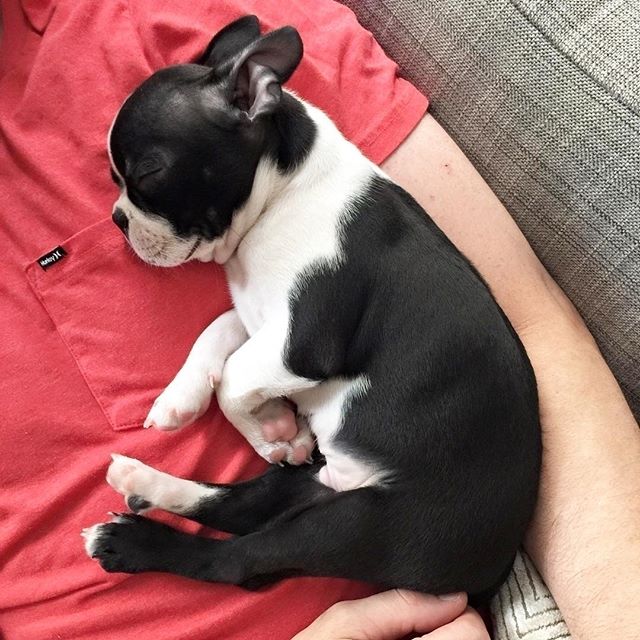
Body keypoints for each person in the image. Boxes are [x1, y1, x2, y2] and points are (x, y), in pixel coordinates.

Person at [1, 1, 638, 639]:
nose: (124, 212)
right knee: (305, 500)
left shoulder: (312, 193)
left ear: (258, 97)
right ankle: (193, 506)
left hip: (417, 526)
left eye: (144, 179)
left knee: (312, 510)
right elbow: (263, 324)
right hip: (356, 478)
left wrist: (240, 391)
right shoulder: (270, 220)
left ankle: (210, 550)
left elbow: (530, 326)